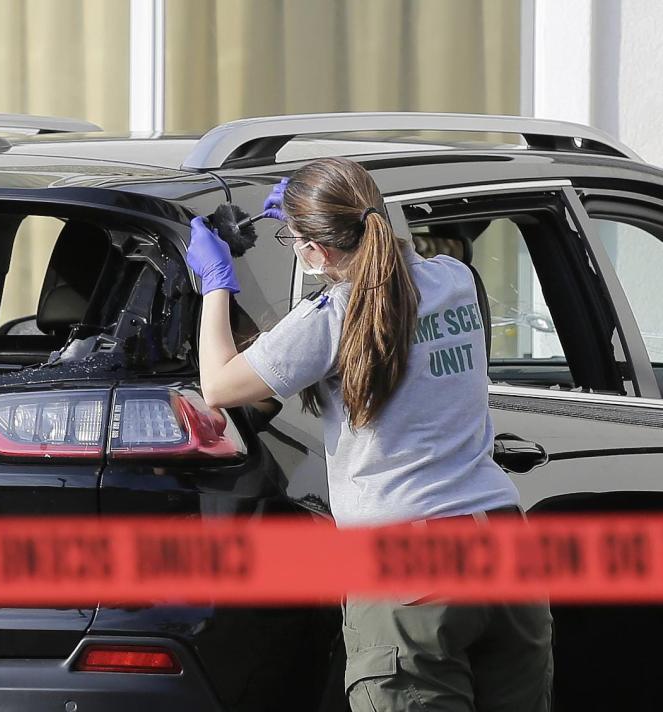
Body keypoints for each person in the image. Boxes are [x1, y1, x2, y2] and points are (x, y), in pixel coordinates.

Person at [185, 157, 552, 712]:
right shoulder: (456, 281)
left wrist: (215, 285)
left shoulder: (328, 319)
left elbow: (217, 385)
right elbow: (392, 260)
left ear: (318, 250)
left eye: (294, 240)